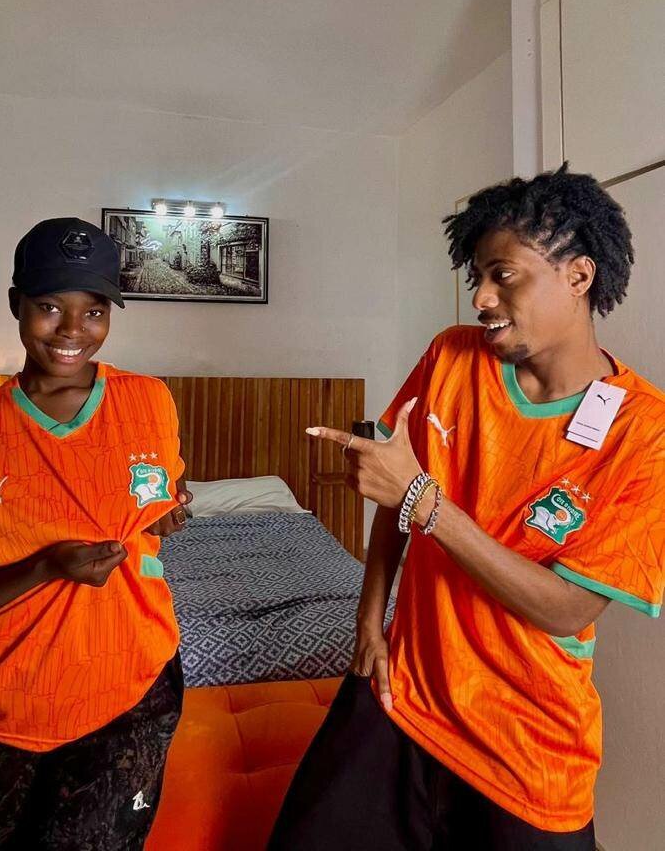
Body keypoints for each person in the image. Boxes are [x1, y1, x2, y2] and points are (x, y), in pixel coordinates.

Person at [269, 167, 665, 850]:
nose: (480, 297)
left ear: (579, 276)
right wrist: (369, 622)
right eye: (476, 276)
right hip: (402, 696)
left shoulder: (645, 433)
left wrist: (424, 501)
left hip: (526, 742)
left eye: (502, 275)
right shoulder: (451, 358)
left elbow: (565, 609)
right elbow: (396, 492)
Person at [0, 217, 191, 851]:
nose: (73, 330)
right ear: (15, 305)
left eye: (94, 311)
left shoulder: (151, 401)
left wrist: (164, 513)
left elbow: (150, 498)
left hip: (129, 691)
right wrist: (45, 567)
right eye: (50, 306)